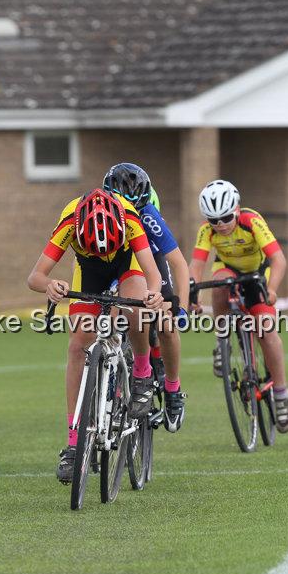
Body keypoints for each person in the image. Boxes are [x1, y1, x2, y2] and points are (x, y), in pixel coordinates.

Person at [27, 188, 167, 483]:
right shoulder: (69, 221)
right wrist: (50, 285)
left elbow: (153, 274)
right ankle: (74, 442)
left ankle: (142, 371)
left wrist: (153, 294)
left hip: (127, 266)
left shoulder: (128, 217)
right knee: (78, 344)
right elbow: (35, 277)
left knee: (137, 310)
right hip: (89, 271)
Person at [188, 179, 288, 433]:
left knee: (267, 333)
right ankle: (220, 340)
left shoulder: (252, 221)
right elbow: (196, 265)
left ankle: (281, 393)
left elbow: (278, 259)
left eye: (225, 217)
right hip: (229, 271)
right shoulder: (207, 231)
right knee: (218, 282)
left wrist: (272, 289)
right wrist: (193, 295)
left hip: (258, 275)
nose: (221, 225)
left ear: (236, 210)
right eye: (214, 220)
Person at [102, 162, 189, 432]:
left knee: (164, 322)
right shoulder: (99, 212)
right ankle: (111, 384)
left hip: (150, 261)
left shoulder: (149, 215)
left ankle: (172, 388)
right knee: (111, 315)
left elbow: (179, 264)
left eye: (135, 209)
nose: (129, 213)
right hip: (121, 263)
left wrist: (181, 309)